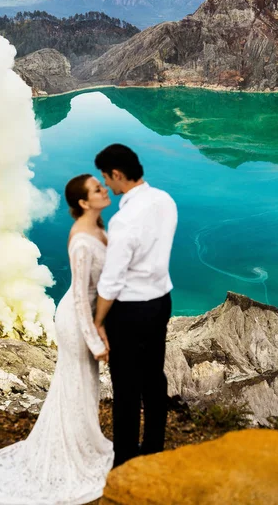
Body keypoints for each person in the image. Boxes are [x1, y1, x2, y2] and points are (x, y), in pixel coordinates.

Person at [0, 174, 113, 505]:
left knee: (86, 384)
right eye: (96, 189)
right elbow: (78, 296)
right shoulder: (80, 240)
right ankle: (70, 454)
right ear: (83, 203)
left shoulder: (98, 229)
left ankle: (85, 444)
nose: (104, 189)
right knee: (76, 383)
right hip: (76, 321)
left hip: (87, 316)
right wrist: (95, 339)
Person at [93, 144, 178, 468]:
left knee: (126, 385)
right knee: (154, 377)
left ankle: (125, 458)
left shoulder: (124, 219)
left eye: (106, 177)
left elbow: (112, 281)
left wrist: (99, 320)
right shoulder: (165, 201)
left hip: (129, 311)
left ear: (117, 174)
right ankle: (154, 446)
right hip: (160, 301)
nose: (107, 185)